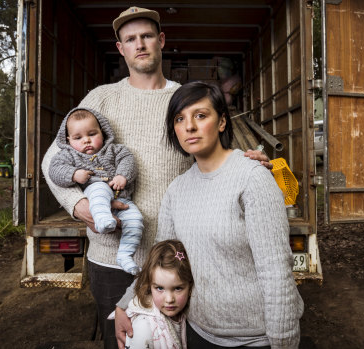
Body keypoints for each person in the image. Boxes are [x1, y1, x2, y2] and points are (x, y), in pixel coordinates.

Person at [40, 6, 271, 348]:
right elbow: (51, 160)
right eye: (130, 39)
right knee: (123, 341)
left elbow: (216, 156)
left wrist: (248, 162)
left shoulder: (183, 100)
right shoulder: (100, 99)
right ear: (120, 48)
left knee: (176, 342)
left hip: (177, 258)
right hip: (112, 257)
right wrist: (79, 205)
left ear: (161, 40)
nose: (140, 44)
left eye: (147, 36)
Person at [115, 82, 304, 349]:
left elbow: (276, 270)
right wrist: (125, 304)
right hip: (198, 333)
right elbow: (160, 260)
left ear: (222, 122)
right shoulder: (177, 189)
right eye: (180, 119)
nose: (189, 126)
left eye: (200, 115)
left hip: (254, 338)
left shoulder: (251, 177)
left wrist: (283, 342)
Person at [48, 108, 143, 275]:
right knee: (100, 187)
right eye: (78, 138)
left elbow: (128, 160)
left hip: (123, 200)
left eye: (92, 134)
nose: (86, 141)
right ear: (68, 140)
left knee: (136, 220)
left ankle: (125, 255)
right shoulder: (68, 155)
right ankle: (102, 219)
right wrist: (74, 174)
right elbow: (55, 170)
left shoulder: (115, 150)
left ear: (103, 133)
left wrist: (122, 176)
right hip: (94, 196)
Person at [109, 240, 193, 349]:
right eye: (159, 288)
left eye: (177, 288)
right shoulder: (143, 328)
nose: (169, 299)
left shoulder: (182, 316)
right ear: (149, 285)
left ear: (190, 287)